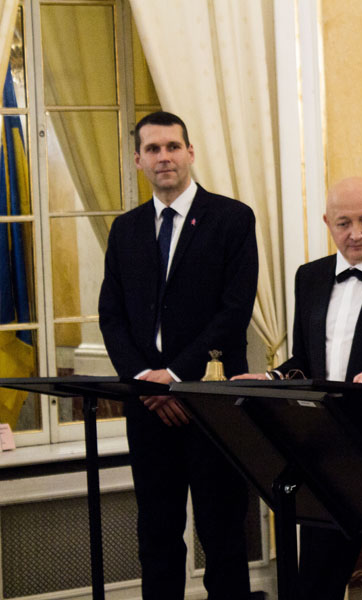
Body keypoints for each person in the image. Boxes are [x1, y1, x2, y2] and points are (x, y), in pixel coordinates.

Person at [233, 176, 362, 600]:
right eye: (344, 223)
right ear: (327, 222)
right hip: (325, 455)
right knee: (316, 582)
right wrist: (273, 378)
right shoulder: (309, 277)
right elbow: (305, 361)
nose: (356, 233)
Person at [98, 111, 258, 599]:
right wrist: (147, 380)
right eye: (152, 149)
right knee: (157, 537)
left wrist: (174, 377)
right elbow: (111, 318)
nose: (163, 157)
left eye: (172, 146)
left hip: (211, 403)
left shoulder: (232, 218)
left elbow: (234, 311)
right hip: (149, 407)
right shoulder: (125, 230)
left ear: (190, 152)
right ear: (138, 160)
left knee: (222, 534)